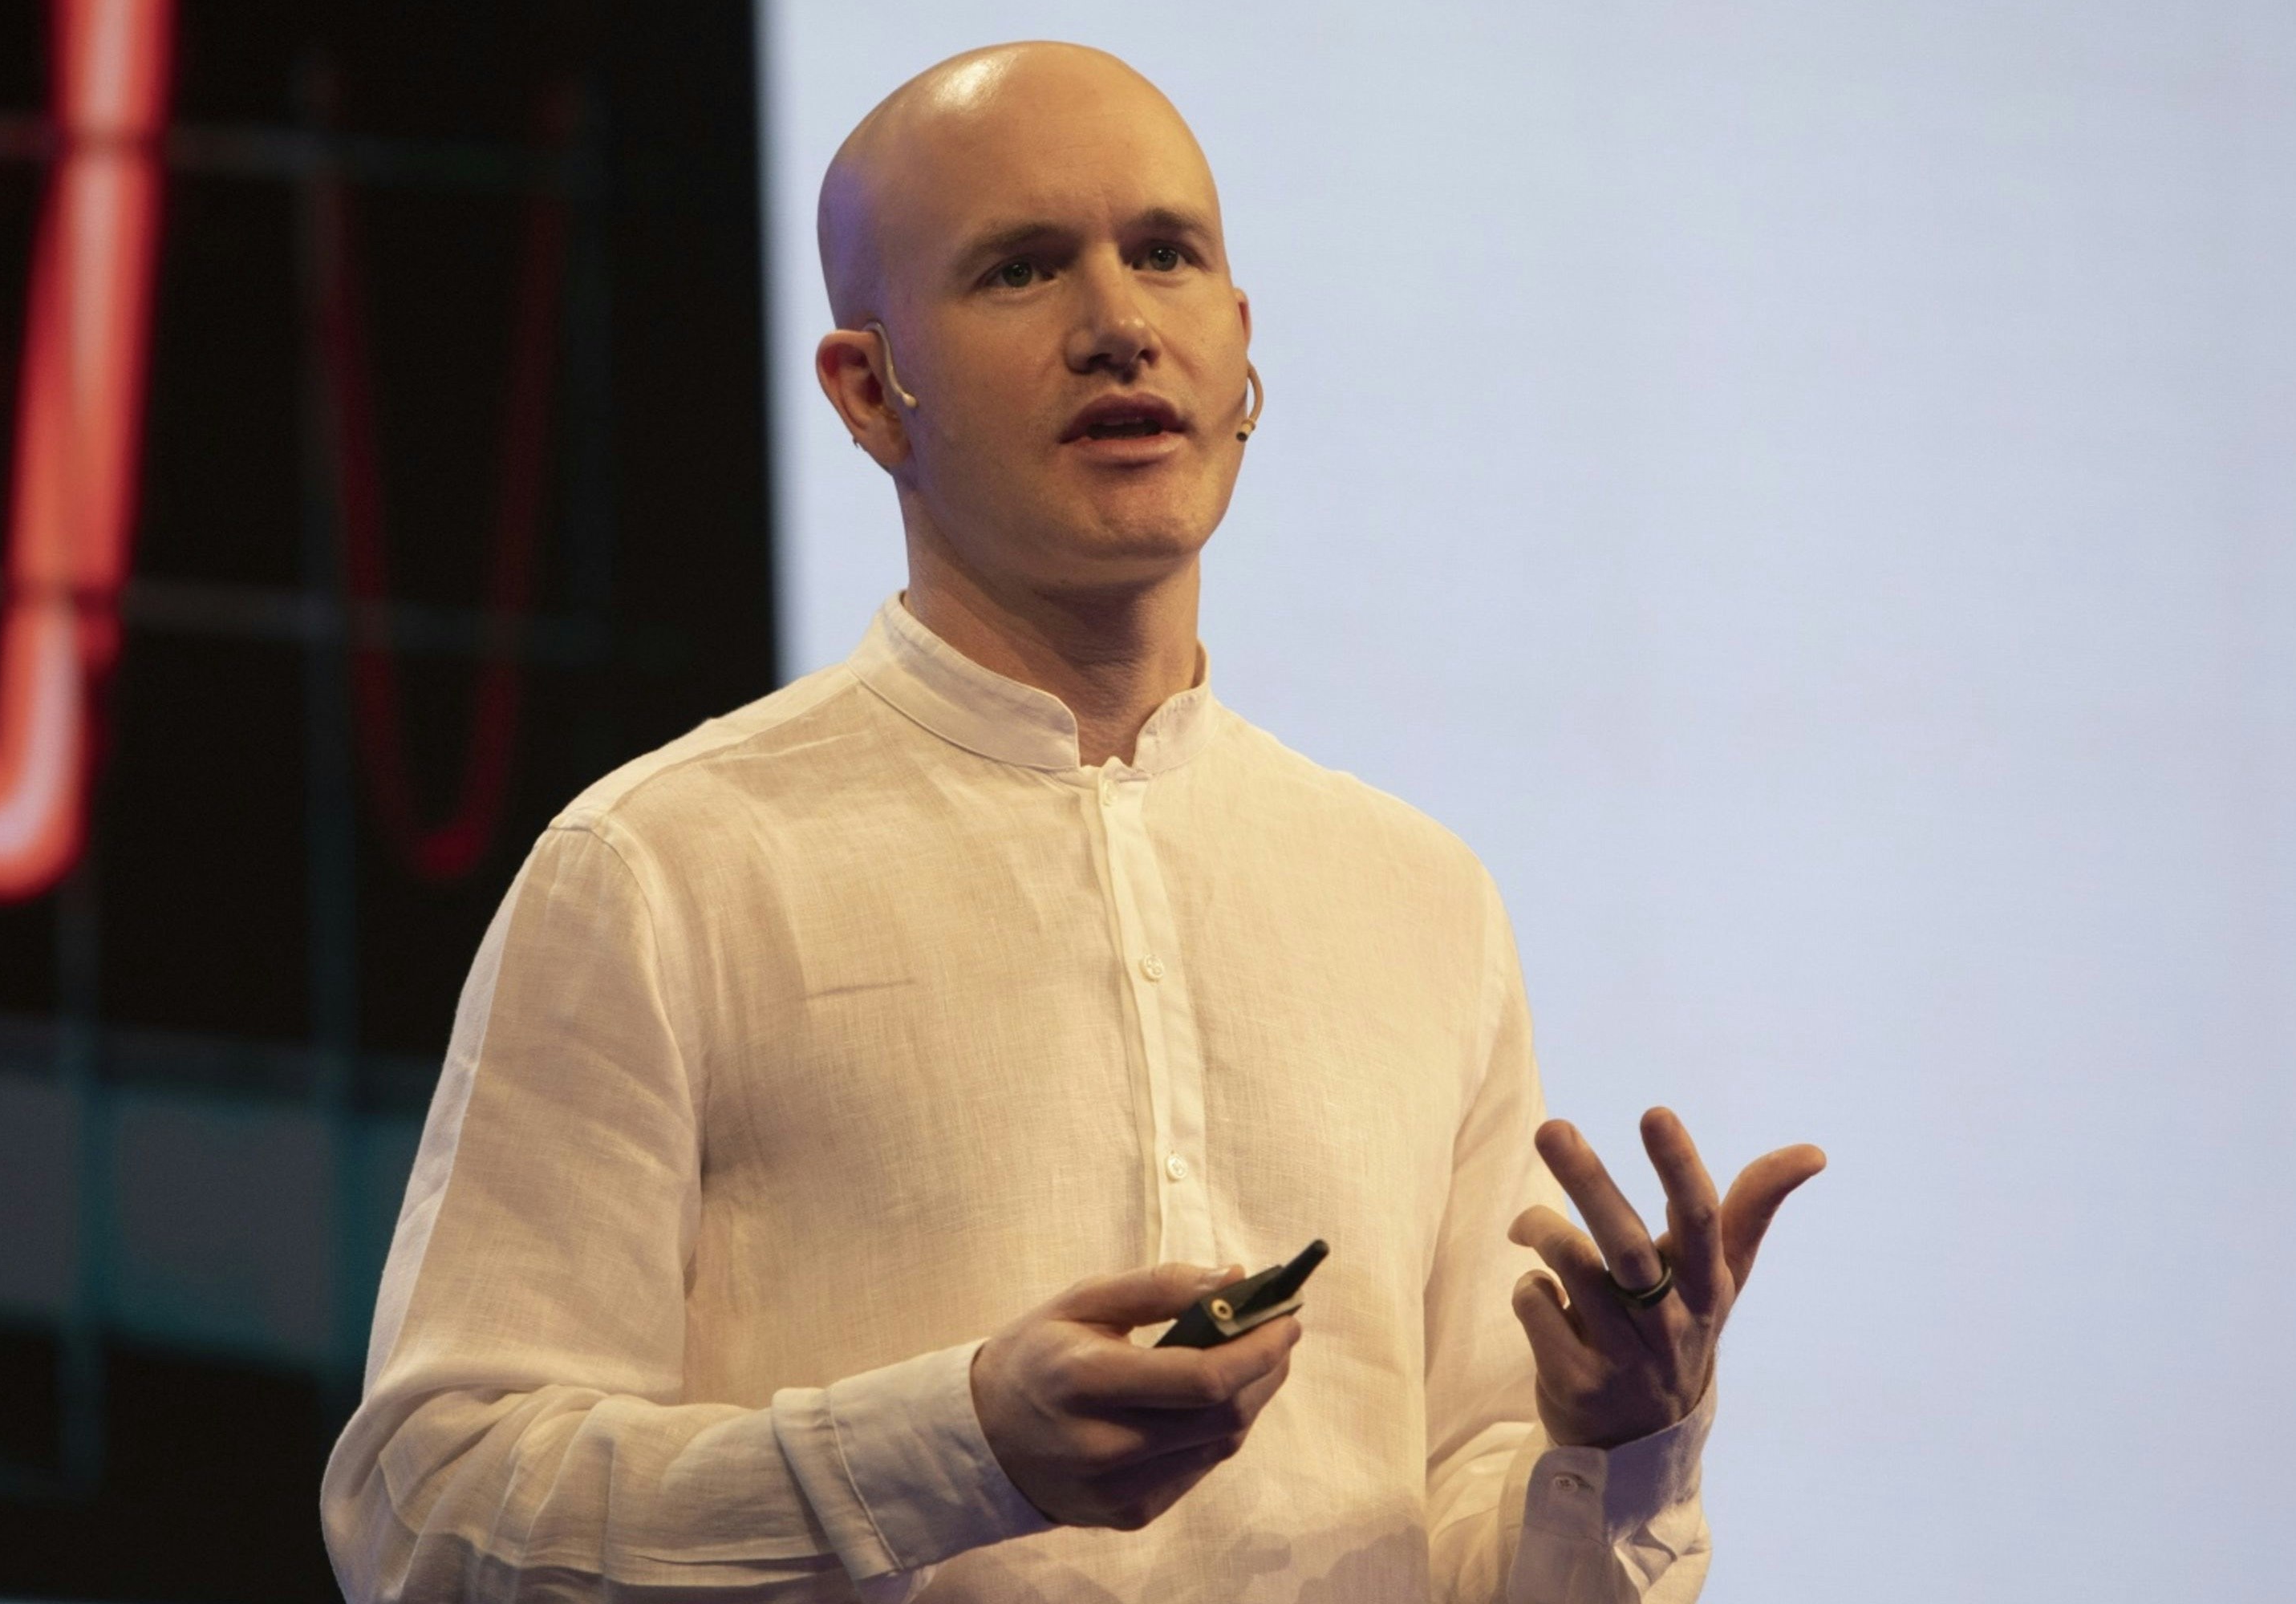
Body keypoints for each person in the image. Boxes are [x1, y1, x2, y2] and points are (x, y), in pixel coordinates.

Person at [319, 40, 1823, 1603]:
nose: (1116, 326)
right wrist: (957, 1444)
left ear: (1235, 346)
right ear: (863, 390)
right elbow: (430, 1515)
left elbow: (1467, 1539)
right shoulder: (658, 870)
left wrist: (1621, 1448)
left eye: (1162, 255)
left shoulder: (1416, 893)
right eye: (1020, 270)